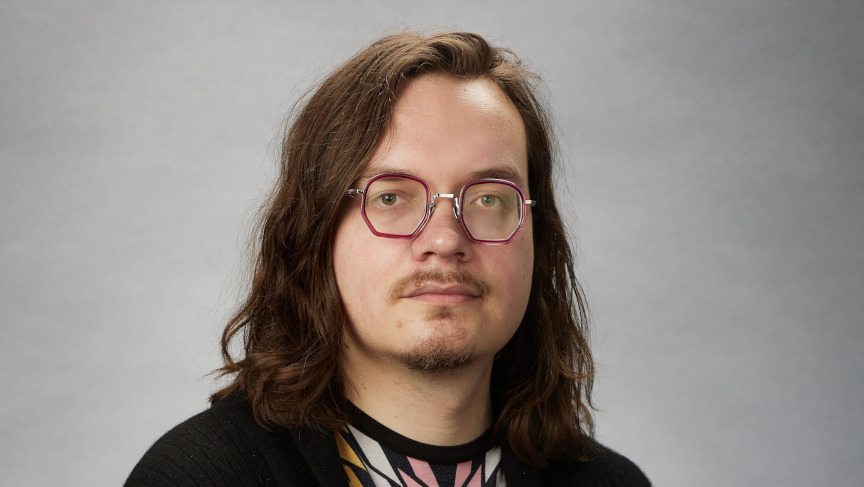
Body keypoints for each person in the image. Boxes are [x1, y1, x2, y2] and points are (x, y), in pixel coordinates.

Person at [125, 31, 650, 486]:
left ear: (539, 237)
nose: (445, 239)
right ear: (317, 232)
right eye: (392, 196)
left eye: (489, 198)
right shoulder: (202, 477)